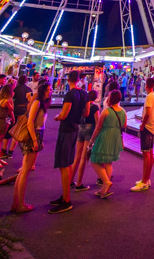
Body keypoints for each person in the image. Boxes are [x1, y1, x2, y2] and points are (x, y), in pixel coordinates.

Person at [50, 70, 88, 214]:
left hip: (66, 129)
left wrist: (58, 117)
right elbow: (86, 112)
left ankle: (66, 200)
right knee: (68, 163)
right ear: (78, 79)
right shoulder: (84, 94)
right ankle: (65, 195)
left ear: (68, 79)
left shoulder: (70, 94)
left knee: (63, 164)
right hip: (75, 129)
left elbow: (64, 113)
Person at [10, 82, 50, 213]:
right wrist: (35, 140)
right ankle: (20, 204)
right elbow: (30, 122)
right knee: (25, 171)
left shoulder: (40, 103)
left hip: (38, 135)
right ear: (42, 90)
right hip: (33, 136)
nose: (49, 92)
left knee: (24, 171)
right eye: (48, 90)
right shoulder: (37, 103)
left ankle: (16, 202)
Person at [88, 89, 127, 199]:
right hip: (115, 137)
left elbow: (98, 127)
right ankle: (105, 188)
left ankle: (105, 181)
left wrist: (91, 140)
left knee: (94, 160)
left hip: (105, 136)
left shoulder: (106, 111)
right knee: (108, 162)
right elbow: (124, 125)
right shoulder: (123, 111)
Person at [131, 76, 154, 192]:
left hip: (147, 127)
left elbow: (147, 113)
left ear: (147, 86)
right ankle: (147, 179)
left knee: (146, 154)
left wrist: (143, 124)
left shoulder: (149, 97)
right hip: (153, 126)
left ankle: (144, 181)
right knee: (150, 152)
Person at [71, 89, 99, 192]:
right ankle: (79, 183)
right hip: (89, 130)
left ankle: (70, 180)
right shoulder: (95, 107)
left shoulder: (82, 106)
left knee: (77, 157)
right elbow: (98, 122)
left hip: (81, 128)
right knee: (84, 157)